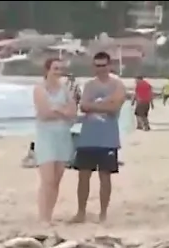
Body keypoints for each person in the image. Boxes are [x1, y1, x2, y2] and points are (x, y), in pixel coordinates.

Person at [71, 52, 126, 224]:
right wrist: (104, 105)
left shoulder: (117, 85)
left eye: (103, 65)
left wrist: (96, 106)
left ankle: (103, 214)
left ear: (109, 66)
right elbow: (83, 106)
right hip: (88, 136)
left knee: (105, 177)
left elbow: (115, 107)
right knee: (83, 176)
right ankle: (81, 212)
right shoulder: (89, 85)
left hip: (108, 138)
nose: (100, 69)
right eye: (97, 66)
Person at [33, 58, 77, 225]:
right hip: (46, 137)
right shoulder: (39, 89)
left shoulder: (65, 90)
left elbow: (73, 113)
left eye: (60, 68)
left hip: (62, 136)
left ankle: (49, 215)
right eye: (55, 68)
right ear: (47, 70)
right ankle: (42, 217)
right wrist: (62, 111)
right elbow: (44, 113)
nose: (58, 71)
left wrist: (58, 110)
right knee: (47, 179)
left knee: (57, 180)